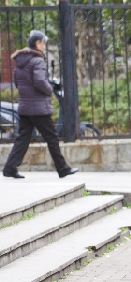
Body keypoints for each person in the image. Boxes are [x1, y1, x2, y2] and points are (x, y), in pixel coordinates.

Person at [2, 30, 78, 179]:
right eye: (43, 42)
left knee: (22, 138)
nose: (44, 45)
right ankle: (62, 169)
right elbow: (39, 81)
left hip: (25, 107)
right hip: (38, 109)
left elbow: (17, 83)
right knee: (52, 137)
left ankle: (10, 168)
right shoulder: (38, 60)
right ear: (37, 43)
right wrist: (50, 90)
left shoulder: (20, 61)